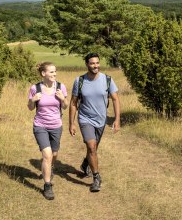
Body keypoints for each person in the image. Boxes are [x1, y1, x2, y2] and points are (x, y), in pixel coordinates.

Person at [69, 52, 120, 192]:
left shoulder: (107, 80)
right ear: (87, 64)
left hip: (101, 120)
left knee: (94, 148)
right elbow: (73, 103)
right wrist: (71, 123)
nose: (95, 65)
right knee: (91, 147)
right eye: (92, 63)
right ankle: (96, 177)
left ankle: (86, 163)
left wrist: (117, 120)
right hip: (85, 118)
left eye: (97, 63)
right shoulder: (79, 81)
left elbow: (115, 99)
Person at [27, 62, 68, 200]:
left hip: (56, 125)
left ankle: (49, 168)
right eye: (51, 72)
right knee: (47, 154)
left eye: (55, 72)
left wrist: (63, 99)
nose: (54, 74)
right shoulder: (35, 88)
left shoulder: (61, 87)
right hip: (40, 125)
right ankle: (47, 185)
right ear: (43, 74)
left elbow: (66, 106)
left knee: (54, 154)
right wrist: (33, 100)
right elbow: (30, 107)